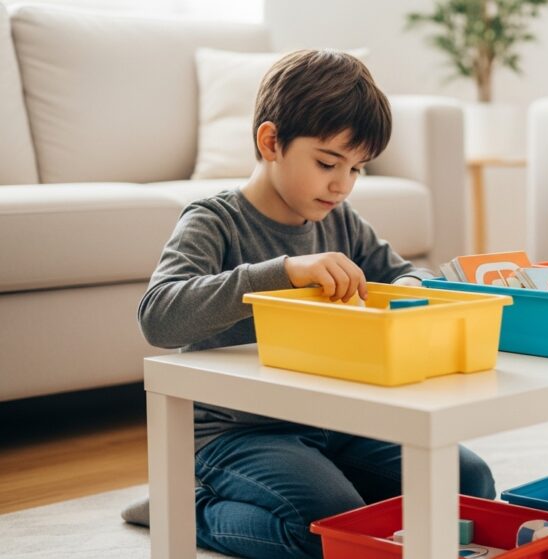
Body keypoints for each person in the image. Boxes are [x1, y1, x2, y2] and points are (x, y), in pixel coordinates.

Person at [136, 50, 495, 558]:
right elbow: (158, 315)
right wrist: (280, 273)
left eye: (357, 169)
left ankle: (338, 493)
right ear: (271, 142)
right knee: (327, 532)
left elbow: (406, 273)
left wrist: (416, 289)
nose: (342, 184)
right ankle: (182, 507)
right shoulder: (214, 221)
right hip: (235, 433)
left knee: (468, 484)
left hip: (333, 421)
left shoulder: (342, 221)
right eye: (328, 163)